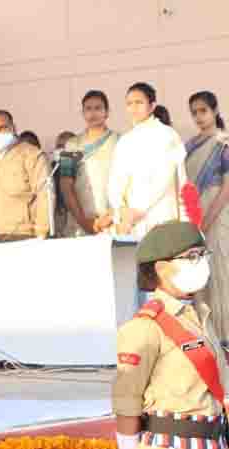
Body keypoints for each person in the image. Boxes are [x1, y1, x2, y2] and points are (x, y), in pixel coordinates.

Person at [113, 221, 228, 449]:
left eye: (203, 254)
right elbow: (127, 401)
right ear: (161, 268)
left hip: (213, 439)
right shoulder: (145, 327)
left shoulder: (201, 317)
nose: (202, 262)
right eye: (192, 256)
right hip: (170, 442)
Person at [108, 82, 188, 240]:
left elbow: (163, 178)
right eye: (129, 104)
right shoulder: (125, 140)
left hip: (159, 214)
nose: (134, 108)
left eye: (139, 102)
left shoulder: (166, 135)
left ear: (152, 106)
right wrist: (121, 209)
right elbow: (115, 181)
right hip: (131, 223)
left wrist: (138, 210)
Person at [185, 90, 229, 346]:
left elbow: (226, 188)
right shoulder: (189, 146)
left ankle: (224, 338)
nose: (199, 117)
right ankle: (204, 335)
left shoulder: (223, 143)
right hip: (194, 217)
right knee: (198, 276)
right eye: (194, 112)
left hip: (218, 216)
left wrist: (207, 220)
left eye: (203, 111)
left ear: (214, 111)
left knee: (221, 273)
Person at [0, 110, 50, 240]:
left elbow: (45, 196)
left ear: (13, 128)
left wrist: (41, 232)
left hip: (22, 235)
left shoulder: (32, 155)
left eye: (2, 128)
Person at [59, 90, 119, 236]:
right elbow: (66, 185)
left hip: (113, 221)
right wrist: (85, 222)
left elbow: (128, 185)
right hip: (80, 223)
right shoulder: (71, 145)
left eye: (98, 108)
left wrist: (110, 216)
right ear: (83, 113)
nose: (93, 114)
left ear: (107, 112)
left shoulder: (120, 142)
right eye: (88, 109)